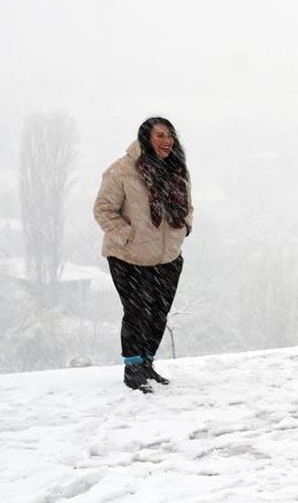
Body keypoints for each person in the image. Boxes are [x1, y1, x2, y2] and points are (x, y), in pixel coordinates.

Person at [93, 117, 193, 393]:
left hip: (167, 258)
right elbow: (103, 210)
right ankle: (133, 368)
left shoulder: (176, 169)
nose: (167, 141)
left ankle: (147, 364)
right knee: (137, 312)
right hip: (130, 257)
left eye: (170, 135)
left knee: (158, 314)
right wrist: (128, 236)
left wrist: (186, 227)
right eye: (160, 135)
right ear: (146, 138)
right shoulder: (122, 170)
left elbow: (188, 205)